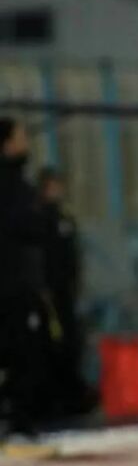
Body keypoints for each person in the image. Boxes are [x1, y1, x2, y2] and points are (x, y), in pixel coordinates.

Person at [0, 118, 49, 439]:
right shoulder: (13, 188)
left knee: (21, 352)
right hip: (12, 284)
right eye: (19, 138)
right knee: (21, 351)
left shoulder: (20, 184)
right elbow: (27, 227)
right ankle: (17, 419)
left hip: (19, 282)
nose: (25, 143)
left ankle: (18, 417)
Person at [38, 167, 93, 419]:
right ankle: (56, 397)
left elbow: (72, 253)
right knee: (54, 343)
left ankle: (72, 394)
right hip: (49, 291)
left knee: (71, 341)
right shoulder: (40, 217)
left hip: (66, 290)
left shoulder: (64, 216)